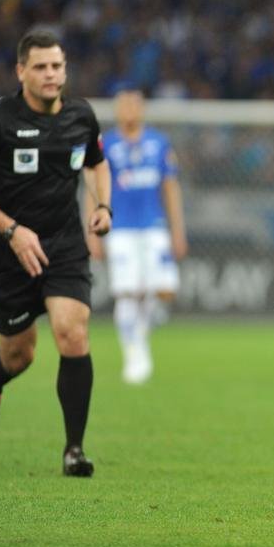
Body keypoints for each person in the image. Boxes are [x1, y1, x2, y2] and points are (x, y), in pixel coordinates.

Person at [0, 30, 111, 476]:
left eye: (57, 66)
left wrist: (103, 205)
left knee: (72, 332)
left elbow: (97, 162)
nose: (50, 74)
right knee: (19, 355)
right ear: (21, 71)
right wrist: (11, 230)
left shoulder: (82, 116)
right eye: (40, 67)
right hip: (7, 252)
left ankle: (74, 450)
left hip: (64, 244)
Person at [87, 89, 187, 384]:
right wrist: (92, 233)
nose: (130, 110)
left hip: (154, 226)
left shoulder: (159, 142)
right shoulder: (106, 144)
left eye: (135, 105)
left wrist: (178, 230)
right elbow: (92, 190)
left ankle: (139, 334)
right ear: (117, 110)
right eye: (125, 105)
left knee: (165, 289)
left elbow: (170, 188)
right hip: (120, 229)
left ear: (142, 109)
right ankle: (134, 354)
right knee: (128, 292)